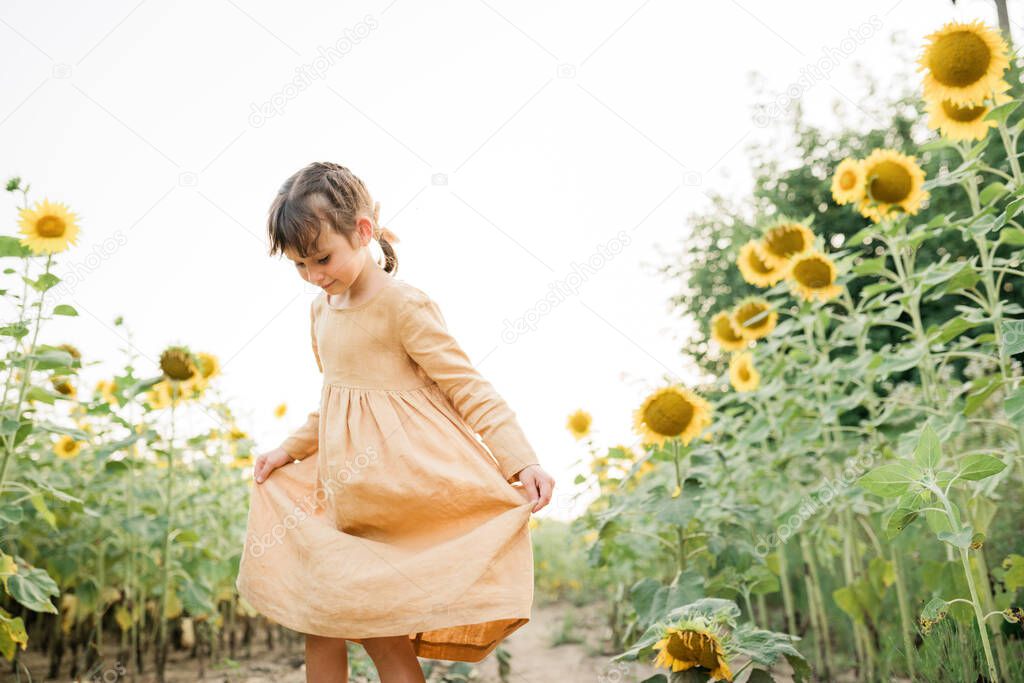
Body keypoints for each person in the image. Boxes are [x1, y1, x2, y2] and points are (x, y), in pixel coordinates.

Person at [235, 161, 556, 683]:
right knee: (321, 622)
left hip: (400, 496)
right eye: (299, 265)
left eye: (322, 257)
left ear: (362, 232)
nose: (314, 276)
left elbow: (466, 385)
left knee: (383, 638)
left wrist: (522, 459)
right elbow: (336, 401)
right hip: (341, 497)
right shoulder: (320, 313)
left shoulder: (403, 305)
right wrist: (288, 451)